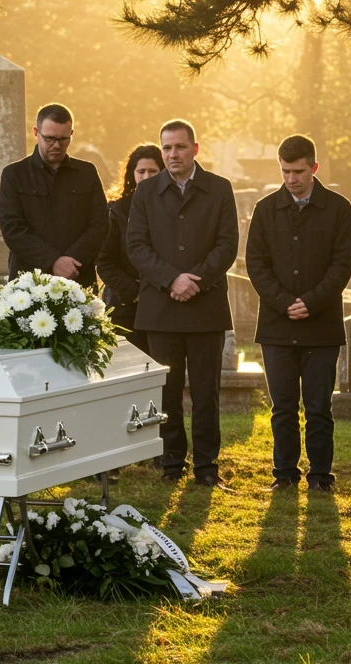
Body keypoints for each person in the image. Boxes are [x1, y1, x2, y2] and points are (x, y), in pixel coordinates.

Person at [127, 119, 239, 487]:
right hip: (161, 309)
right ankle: (172, 464)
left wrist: (196, 280)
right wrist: (171, 279)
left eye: (179, 147)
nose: (173, 154)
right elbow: (137, 246)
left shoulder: (219, 189)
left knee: (206, 393)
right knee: (168, 392)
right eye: (167, 148)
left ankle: (206, 468)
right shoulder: (145, 194)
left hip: (205, 309)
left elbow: (227, 245)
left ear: (195, 149)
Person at [247, 134, 351, 493]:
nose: (291, 179)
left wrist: (311, 301)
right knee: (282, 407)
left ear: (314, 168)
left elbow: (342, 265)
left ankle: (321, 476)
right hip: (277, 325)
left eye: (298, 171)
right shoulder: (265, 209)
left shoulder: (339, 208)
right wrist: (283, 302)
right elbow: (256, 264)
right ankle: (284, 474)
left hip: (321, 323)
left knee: (319, 408)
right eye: (285, 171)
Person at [0, 103, 108, 284]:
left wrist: (70, 261)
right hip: (28, 283)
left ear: (71, 134)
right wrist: (53, 261)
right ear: (35, 132)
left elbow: (100, 224)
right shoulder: (14, 174)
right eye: (49, 138)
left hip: (77, 277)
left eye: (63, 139)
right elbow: (13, 229)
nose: (56, 145)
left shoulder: (87, 173)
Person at [96, 143, 165, 354]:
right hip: (125, 306)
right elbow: (105, 261)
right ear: (131, 174)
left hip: (163, 307)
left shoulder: (172, 209)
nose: (146, 176)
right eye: (141, 171)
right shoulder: (116, 211)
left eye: (152, 171)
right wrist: (135, 292)